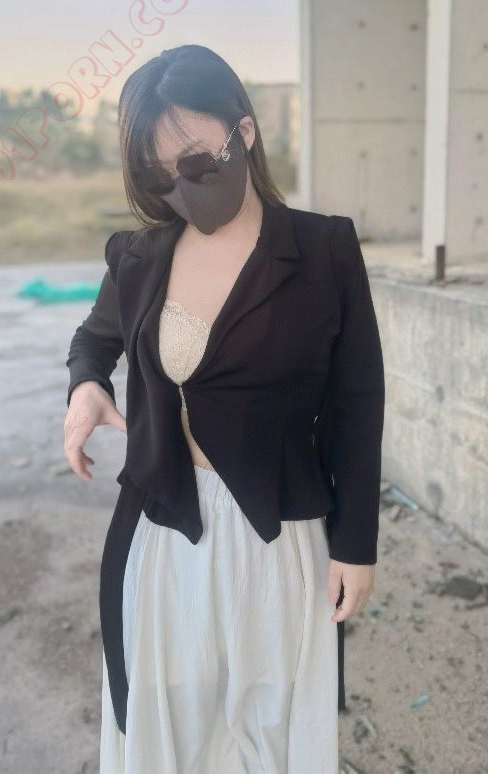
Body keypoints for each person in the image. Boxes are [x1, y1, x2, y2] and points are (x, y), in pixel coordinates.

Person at [63, 44, 385, 773]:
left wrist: (355, 543)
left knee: (269, 729)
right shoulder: (139, 256)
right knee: (170, 725)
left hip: (278, 534)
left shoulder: (324, 249)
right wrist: (86, 387)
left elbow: (357, 405)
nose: (182, 187)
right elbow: (94, 338)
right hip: (163, 530)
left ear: (244, 132)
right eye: (159, 174)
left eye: (198, 163)